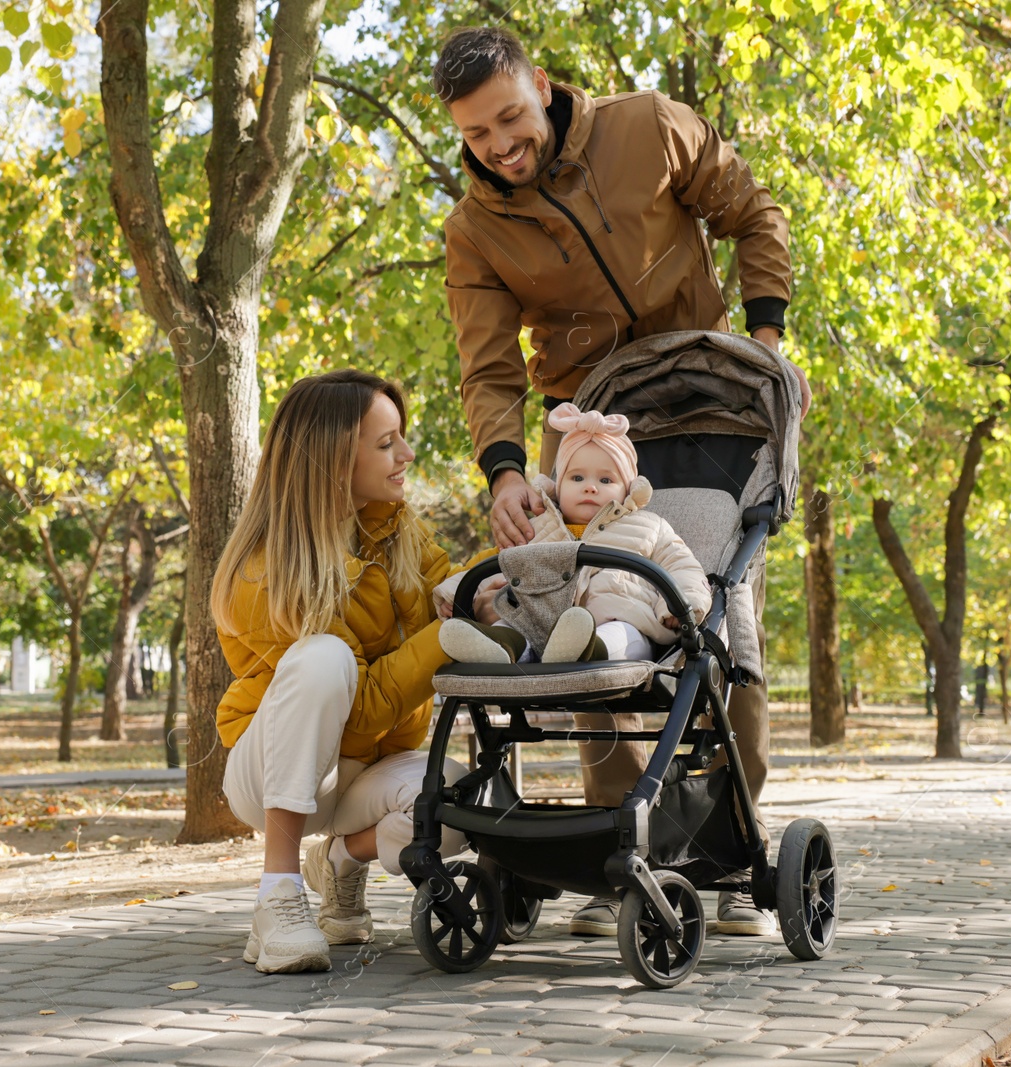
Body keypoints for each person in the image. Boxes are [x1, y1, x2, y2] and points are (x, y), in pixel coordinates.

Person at [434, 26, 809, 939]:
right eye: (477, 135)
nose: (499, 146)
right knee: (590, 617)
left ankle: (725, 852)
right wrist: (508, 470)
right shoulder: (476, 229)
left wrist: (765, 340)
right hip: (588, 432)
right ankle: (619, 857)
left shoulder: (650, 127)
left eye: (510, 118)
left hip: (716, 414)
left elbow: (751, 211)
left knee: (720, 622)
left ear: (543, 89)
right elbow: (488, 370)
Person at [212, 369, 471, 974]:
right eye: (386, 444)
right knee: (323, 658)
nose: (406, 455)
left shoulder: (392, 523)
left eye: (400, 438)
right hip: (274, 769)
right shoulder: (265, 571)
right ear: (331, 462)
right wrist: (449, 636)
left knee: (464, 801)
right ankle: (278, 896)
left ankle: (339, 862)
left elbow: (450, 582)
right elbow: (357, 713)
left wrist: (500, 572)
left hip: (363, 773)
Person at [433, 404, 712, 666]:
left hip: (621, 620)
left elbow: (682, 566)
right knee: (510, 623)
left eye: (605, 480)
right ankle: (498, 649)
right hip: (540, 625)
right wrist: (457, 594)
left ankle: (587, 651)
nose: (590, 487)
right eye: (577, 478)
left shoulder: (649, 526)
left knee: (624, 634)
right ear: (558, 486)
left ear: (628, 489)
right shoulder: (540, 530)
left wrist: (680, 606)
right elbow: (500, 569)